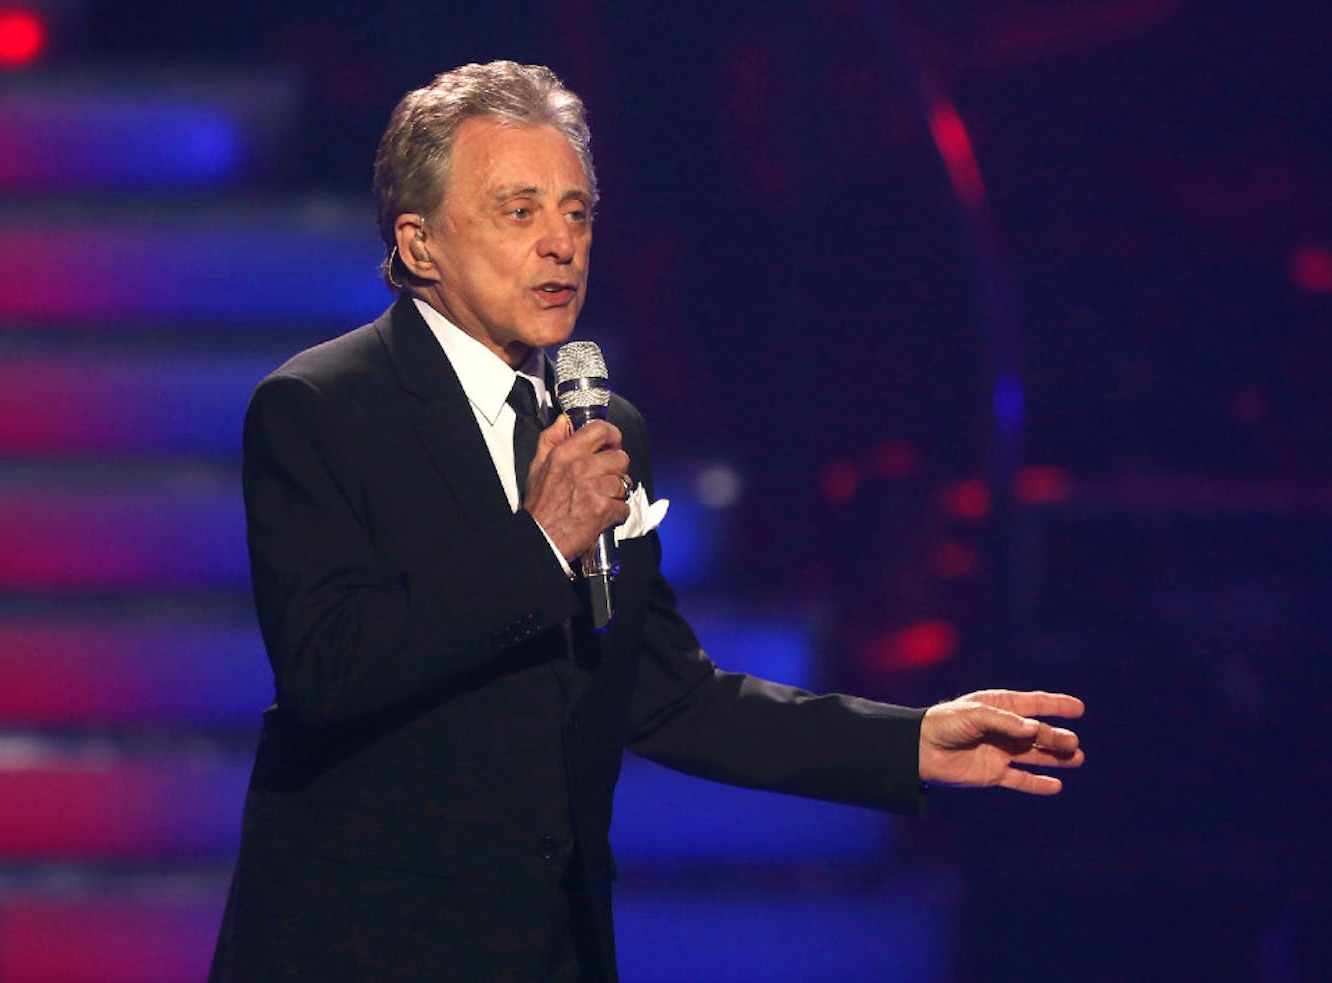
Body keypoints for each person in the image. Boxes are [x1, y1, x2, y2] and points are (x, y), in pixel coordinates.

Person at [209, 60, 1083, 982]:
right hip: (361, 949)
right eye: (520, 211)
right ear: (421, 245)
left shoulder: (600, 427)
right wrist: (540, 543)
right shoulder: (320, 407)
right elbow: (328, 670)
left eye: (577, 212)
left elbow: (668, 696)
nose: (562, 245)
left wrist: (907, 741)